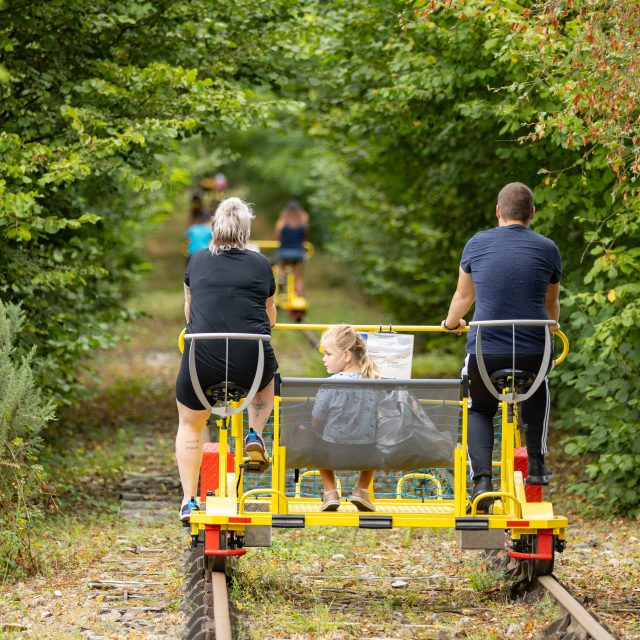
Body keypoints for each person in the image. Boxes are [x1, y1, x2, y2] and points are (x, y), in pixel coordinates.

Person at [442, 182, 561, 511]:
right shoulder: (548, 248)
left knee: (479, 407)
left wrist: (451, 323)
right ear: (532, 214)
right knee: (539, 385)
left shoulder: (477, 243)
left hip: (486, 350)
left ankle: (482, 482)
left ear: (498, 211)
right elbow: (552, 307)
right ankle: (536, 462)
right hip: (533, 347)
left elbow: (464, 297)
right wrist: (551, 330)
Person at [175, 197, 278, 522]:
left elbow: (189, 311)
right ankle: (254, 432)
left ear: (215, 228)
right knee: (268, 375)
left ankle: (190, 499)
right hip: (251, 360)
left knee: (190, 425)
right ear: (245, 230)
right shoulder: (261, 264)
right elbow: (270, 317)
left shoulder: (197, 260)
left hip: (201, 358)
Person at [312, 324, 380, 512]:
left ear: (347, 355)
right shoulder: (376, 381)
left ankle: (330, 492)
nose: (324, 359)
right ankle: (361, 490)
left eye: (328, 354)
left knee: (313, 436)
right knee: (379, 436)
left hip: (333, 451)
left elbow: (317, 419)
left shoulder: (330, 384)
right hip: (367, 453)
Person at [274, 200, 309, 297]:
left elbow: (277, 237)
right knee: (298, 278)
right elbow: (305, 238)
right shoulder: (303, 223)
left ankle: (281, 279)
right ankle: (300, 302)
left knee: (280, 268)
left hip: (284, 252)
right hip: (298, 252)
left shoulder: (282, 222)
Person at [185, 195, 213, 263]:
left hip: (191, 254)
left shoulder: (192, 229)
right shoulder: (209, 230)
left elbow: (187, 239)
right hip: (204, 253)